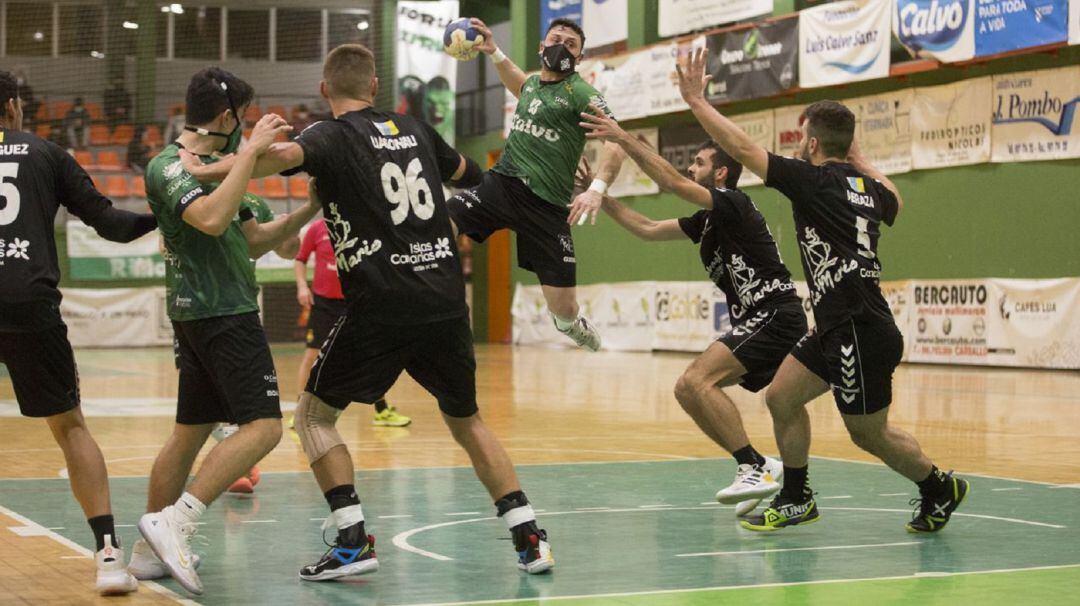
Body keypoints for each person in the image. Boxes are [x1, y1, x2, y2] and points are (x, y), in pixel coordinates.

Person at [182, 43, 555, 580]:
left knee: (313, 416)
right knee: (468, 422)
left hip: (381, 302)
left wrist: (207, 166)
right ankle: (529, 536)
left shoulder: (327, 136)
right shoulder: (418, 129)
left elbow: (275, 160)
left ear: (324, 90)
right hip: (446, 301)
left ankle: (353, 540)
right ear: (376, 87)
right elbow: (475, 175)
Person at [674, 49, 970, 532]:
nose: (796, 147)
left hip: (860, 328)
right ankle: (797, 498)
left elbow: (745, 149)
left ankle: (939, 485)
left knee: (868, 435)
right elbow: (895, 197)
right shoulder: (867, 188)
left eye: (801, 137)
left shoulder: (812, 183)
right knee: (781, 397)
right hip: (838, 324)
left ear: (812, 144)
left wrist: (696, 101)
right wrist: (860, 158)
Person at [127, 68, 310, 596]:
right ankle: (175, 521)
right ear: (228, 118)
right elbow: (208, 219)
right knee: (266, 427)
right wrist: (251, 154)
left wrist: (311, 207)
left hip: (212, 315)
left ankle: (145, 554)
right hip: (218, 314)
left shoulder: (223, 168)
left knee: (189, 432)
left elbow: (257, 241)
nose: (247, 128)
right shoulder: (168, 166)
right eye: (244, 120)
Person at [580, 112, 807, 516]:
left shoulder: (734, 203)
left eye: (699, 163)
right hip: (760, 319)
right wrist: (600, 196)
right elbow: (647, 227)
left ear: (720, 172)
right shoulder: (705, 222)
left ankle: (754, 467)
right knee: (689, 389)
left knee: (697, 380)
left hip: (775, 312)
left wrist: (625, 140)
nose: (691, 167)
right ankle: (759, 464)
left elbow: (671, 182)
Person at [0, 69, 154, 596]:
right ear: (15, 106)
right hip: (29, 302)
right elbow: (110, 223)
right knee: (70, 428)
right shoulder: (46, 154)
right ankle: (109, 558)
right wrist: (168, 215)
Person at [445, 17, 627, 352]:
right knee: (441, 220)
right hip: (501, 185)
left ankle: (569, 325)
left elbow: (616, 143)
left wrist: (596, 189)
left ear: (579, 58)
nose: (561, 46)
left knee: (564, 309)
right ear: (541, 46)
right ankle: (433, 296)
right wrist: (494, 51)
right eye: (555, 39)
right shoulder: (532, 86)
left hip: (548, 207)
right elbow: (520, 84)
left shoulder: (582, 94)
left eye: (570, 44)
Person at [293, 217, 412, 427]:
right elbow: (300, 258)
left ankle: (382, 410)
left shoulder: (360, 222)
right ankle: (301, 411)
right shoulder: (317, 228)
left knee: (372, 355)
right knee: (312, 354)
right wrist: (302, 286)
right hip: (324, 303)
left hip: (356, 300)